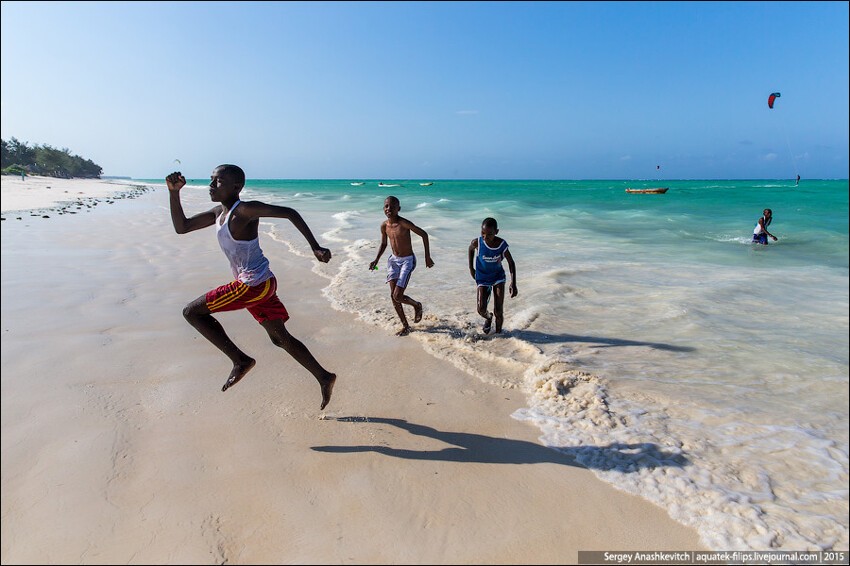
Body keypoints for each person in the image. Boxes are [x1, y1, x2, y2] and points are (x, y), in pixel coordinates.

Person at [166, 165, 336, 409]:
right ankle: (324, 377)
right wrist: (174, 192)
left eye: (219, 181)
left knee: (191, 312)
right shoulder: (218, 213)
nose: (211, 185)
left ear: (237, 187)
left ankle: (240, 361)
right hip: (263, 284)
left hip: (253, 285)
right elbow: (182, 227)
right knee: (280, 338)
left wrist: (315, 246)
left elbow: (290, 212)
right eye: (211, 180)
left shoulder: (245, 211)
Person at [368, 195, 434, 336]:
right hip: (393, 260)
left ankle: (417, 305)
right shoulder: (384, 226)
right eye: (386, 206)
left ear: (399, 209)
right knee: (393, 296)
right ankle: (406, 326)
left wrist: (427, 257)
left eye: (392, 206)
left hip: (407, 261)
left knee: (398, 295)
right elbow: (384, 244)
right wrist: (376, 260)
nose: (389, 209)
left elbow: (424, 234)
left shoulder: (404, 223)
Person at [468, 217, 517, 334]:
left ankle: (499, 336)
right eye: (483, 233)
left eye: (489, 234)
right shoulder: (477, 243)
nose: (485, 236)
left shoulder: (501, 244)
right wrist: (471, 268)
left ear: (496, 232)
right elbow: (470, 250)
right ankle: (489, 318)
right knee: (481, 309)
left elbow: (511, 262)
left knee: (499, 311)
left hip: (498, 277)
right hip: (482, 277)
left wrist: (513, 283)